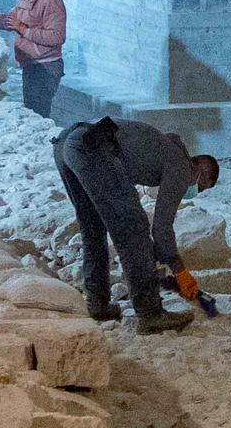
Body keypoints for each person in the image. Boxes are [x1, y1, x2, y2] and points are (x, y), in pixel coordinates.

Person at [49, 113, 219, 333]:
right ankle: (150, 314)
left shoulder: (162, 147)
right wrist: (180, 270)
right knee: (134, 230)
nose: (197, 191)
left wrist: (158, 258)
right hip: (94, 149)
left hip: (69, 143)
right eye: (203, 186)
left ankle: (97, 302)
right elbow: (161, 227)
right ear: (199, 172)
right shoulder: (181, 166)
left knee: (93, 226)